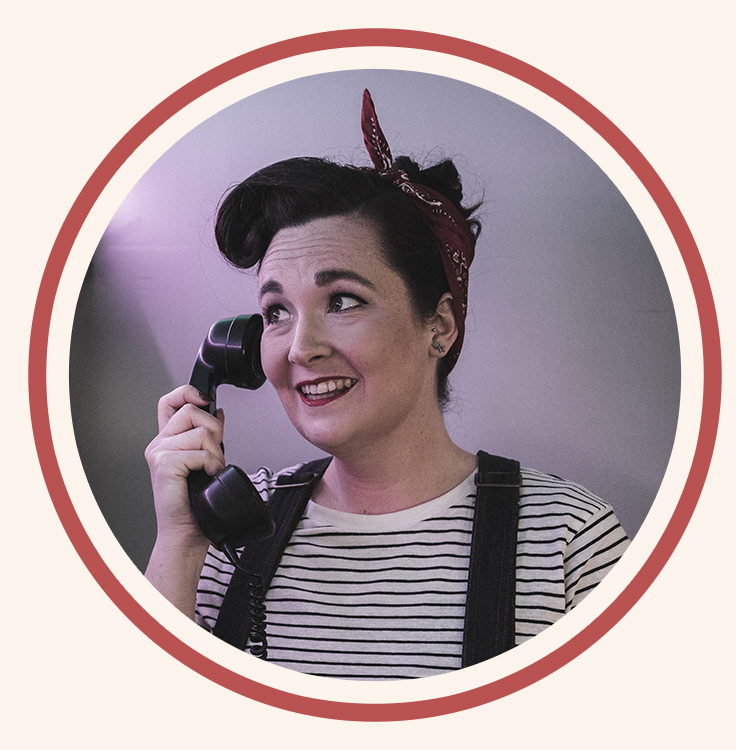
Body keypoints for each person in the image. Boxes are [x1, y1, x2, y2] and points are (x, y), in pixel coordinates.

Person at [145, 90, 630, 680]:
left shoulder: (567, 539)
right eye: (276, 312)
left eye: (343, 301)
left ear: (439, 327)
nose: (299, 348)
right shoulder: (224, 535)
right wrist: (179, 541)